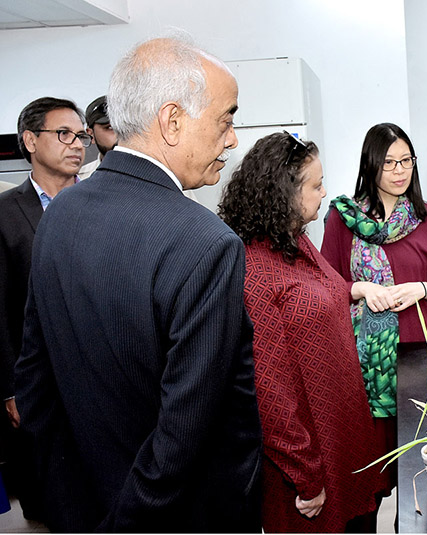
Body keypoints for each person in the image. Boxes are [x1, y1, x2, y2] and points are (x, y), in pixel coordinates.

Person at [14, 37, 262, 532]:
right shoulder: (205, 242)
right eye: (226, 119)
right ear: (172, 121)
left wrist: (68, 510)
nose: (232, 140)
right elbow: (184, 433)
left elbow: (35, 386)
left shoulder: (61, 212)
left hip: (83, 505)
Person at [218, 132, 384, 532]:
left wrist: (353, 289)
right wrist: (306, 476)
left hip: (342, 435)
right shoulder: (254, 269)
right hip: (308, 459)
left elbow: (315, 299)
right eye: (315, 185)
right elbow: (269, 391)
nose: (324, 192)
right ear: (283, 193)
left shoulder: (294, 242)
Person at [321, 122, 427, 517]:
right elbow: (328, 284)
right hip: (365, 362)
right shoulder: (344, 219)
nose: (399, 171)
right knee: (372, 467)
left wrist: (423, 289)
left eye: (406, 161)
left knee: (422, 461)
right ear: (371, 166)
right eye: (389, 163)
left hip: (420, 355)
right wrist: (361, 288)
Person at [0, 96, 88, 521]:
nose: (77, 144)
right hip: (37, 382)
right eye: (64, 134)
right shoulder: (4, 214)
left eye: (82, 135)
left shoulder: (101, 205)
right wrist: (10, 388)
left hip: (102, 376)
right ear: (31, 141)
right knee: (50, 501)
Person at [77, 95, 117, 178]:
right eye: (110, 128)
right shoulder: (79, 179)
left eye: (127, 127)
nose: (121, 134)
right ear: (91, 134)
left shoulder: (150, 172)